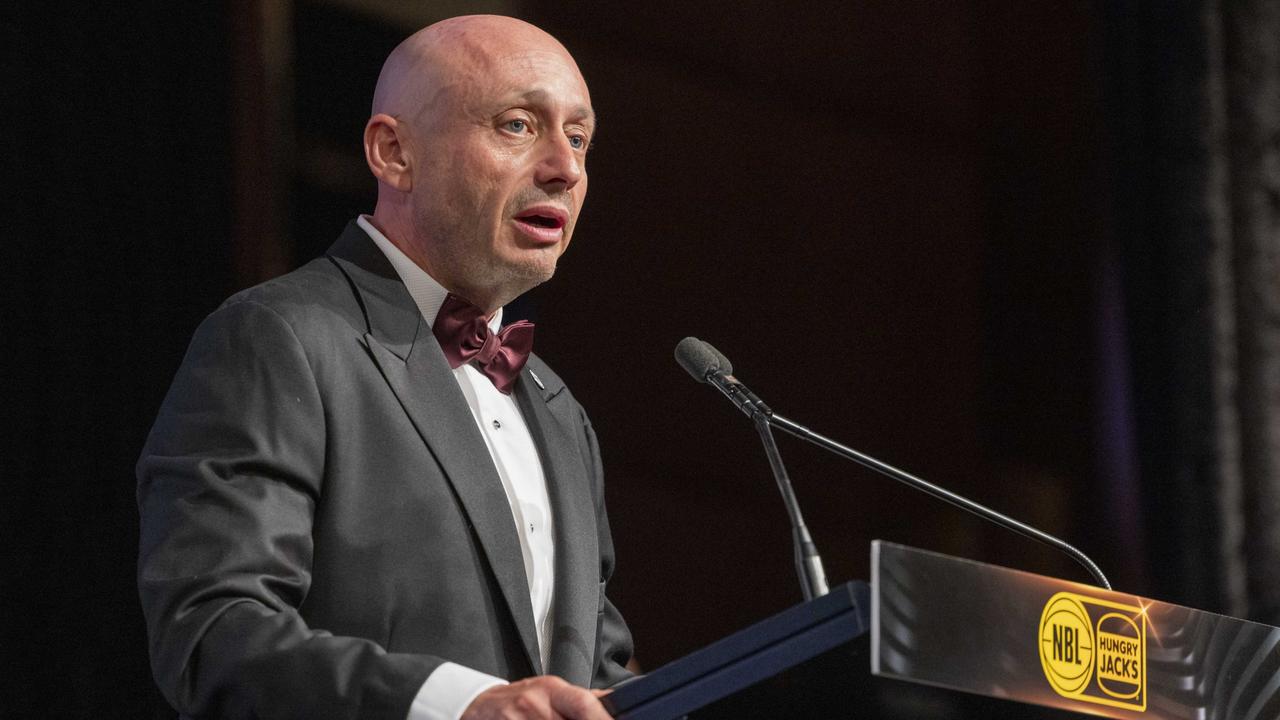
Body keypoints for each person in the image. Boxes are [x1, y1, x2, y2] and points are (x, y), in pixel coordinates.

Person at [136, 15, 632, 720]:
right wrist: (459, 707)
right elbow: (213, 635)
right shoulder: (281, 340)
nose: (566, 168)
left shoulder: (558, 411)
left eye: (578, 137)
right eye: (520, 125)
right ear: (394, 152)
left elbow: (599, 672)